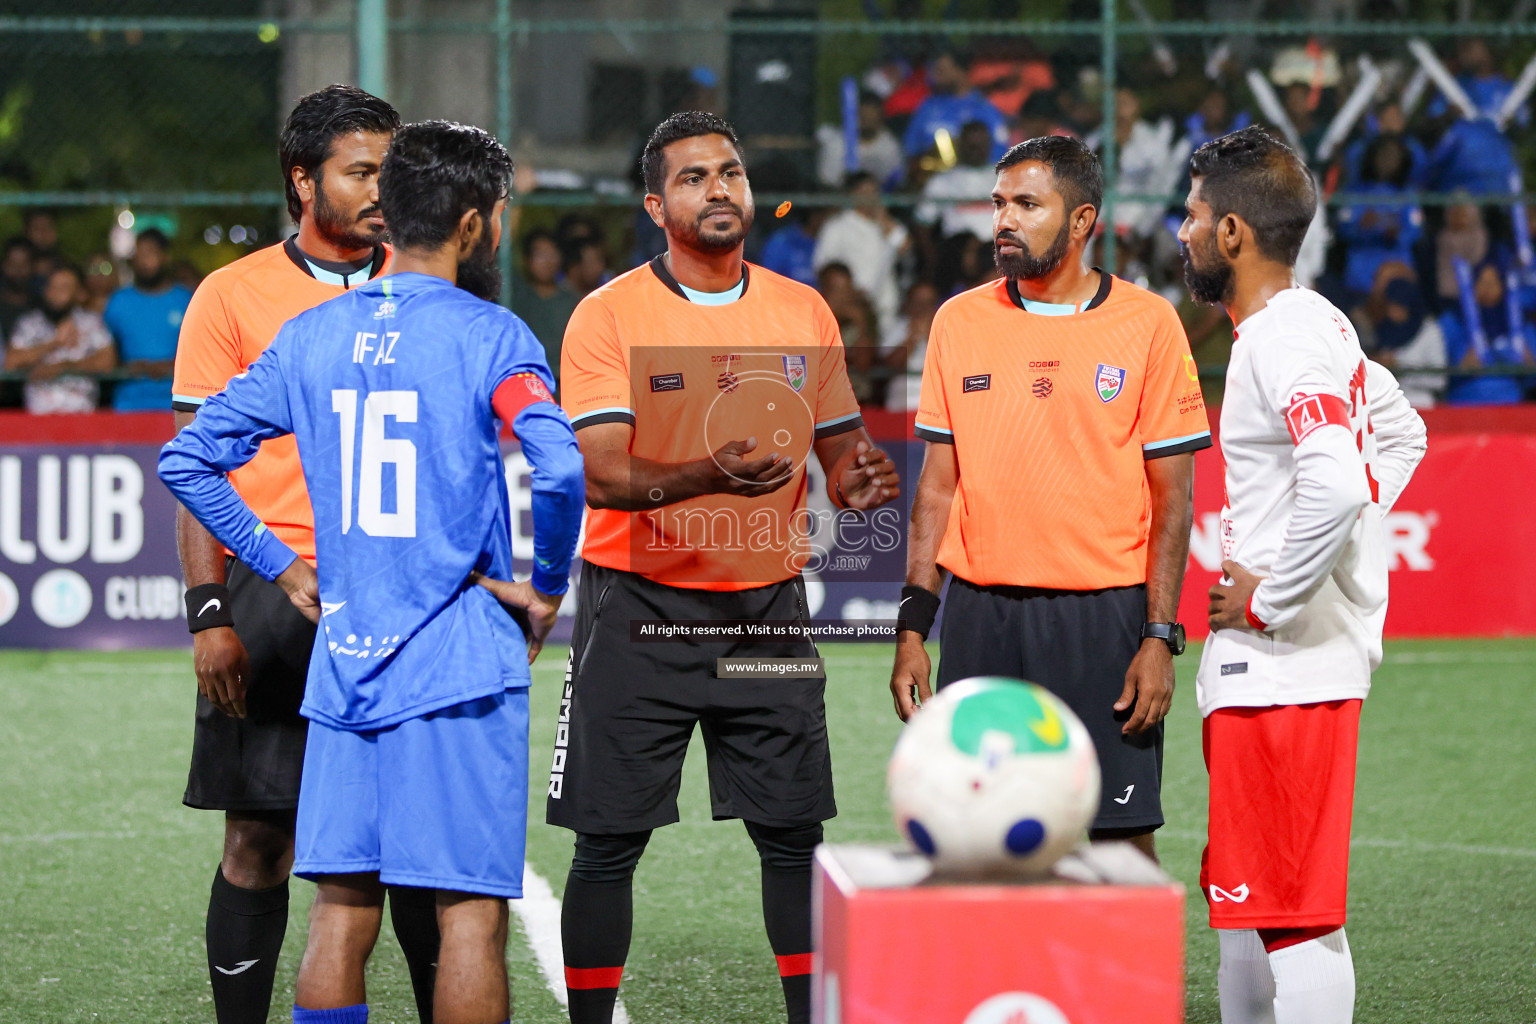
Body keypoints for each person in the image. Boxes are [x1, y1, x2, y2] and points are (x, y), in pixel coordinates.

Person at [161, 118, 585, 1024]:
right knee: (468, 918)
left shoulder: (312, 336)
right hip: (458, 657)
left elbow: (187, 460)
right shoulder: (491, 334)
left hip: (343, 657)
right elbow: (558, 464)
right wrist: (547, 588)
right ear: (474, 226)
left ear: (390, 214)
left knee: (339, 912)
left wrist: (277, 565)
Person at [554, 110, 900, 1024]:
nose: (720, 190)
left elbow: (842, 451)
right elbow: (599, 472)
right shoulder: (609, 315)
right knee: (607, 844)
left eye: (732, 173)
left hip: (765, 611)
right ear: (654, 203)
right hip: (637, 607)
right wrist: (711, 473)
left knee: (792, 839)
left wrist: (859, 476)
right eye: (695, 177)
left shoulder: (802, 309)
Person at [167, 85, 442, 1024]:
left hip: (407, 599)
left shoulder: (428, 286)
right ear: (302, 180)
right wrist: (210, 614)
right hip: (275, 596)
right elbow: (198, 464)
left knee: (419, 849)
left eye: (392, 171)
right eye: (362, 170)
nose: (383, 189)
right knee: (258, 839)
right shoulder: (233, 296)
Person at [890, 135, 1210, 864]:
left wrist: (1159, 638)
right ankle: (998, 985)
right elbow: (937, 488)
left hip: (1105, 619)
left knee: (1121, 847)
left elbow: (1173, 501)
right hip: (982, 617)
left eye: (1027, 204)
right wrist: (914, 626)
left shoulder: (1149, 323)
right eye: (1000, 202)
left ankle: (1125, 986)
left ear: (1081, 220)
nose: (1004, 219)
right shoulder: (958, 321)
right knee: (978, 838)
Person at [1179, 125, 1427, 1024]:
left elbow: (1331, 469)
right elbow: (1401, 436)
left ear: (1235, 234)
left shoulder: (1279, 339)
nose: (1184, 230)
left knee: (1293, 923)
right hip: (1278, 673)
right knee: (1247, 911)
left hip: (1285, 671)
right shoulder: (1321, 322)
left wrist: (1273, 594)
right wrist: (1346, 540)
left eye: (1196, 213)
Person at [4, 264, 115, 414]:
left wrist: (65, 367)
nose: (56, 293)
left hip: (81, 416)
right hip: (38, 418)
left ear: (79, 293)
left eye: (64, 288)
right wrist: (54, 344)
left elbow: (107, 361)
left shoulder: (91, 323)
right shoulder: (29, 323)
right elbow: (10, 362)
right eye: (52, 287)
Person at [812, 170, 909, 339]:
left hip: (886, 308)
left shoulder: (887, 226)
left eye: (874, 191)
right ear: (853, 194)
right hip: (851, 311)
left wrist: (883, 219)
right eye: (865, 192)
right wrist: (848, 295)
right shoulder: (837, 226)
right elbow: (822, 266)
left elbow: (905, 247)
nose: (871, 197)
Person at [104, 229, 192, 412]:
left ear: (165, 256)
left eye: (150, 253)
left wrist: (171, 365)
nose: (144, 261)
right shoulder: (118, 302)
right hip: (127, 405)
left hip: (179, 406)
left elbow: (204, 350)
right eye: (139, 254)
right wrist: (127, 365)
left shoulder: (187, 300)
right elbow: (103, 350)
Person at [1436, 255, 1535, 405]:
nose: (1488, 288)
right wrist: (1459, 369)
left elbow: (1531, 380)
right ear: (1472, 284)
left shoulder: (1518, 321)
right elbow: (1435, 371)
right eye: (1482, 281)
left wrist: (1529, 365)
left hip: (1511, 404)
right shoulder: (1452, 320)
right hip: (1463, 403)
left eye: (1494, 282)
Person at [510, 228, 579, 382]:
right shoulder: (516, 297)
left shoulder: (573, 301)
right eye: (540, 255)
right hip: (525, 380)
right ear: (527, 259)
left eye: (552, 254)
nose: (547, 261)